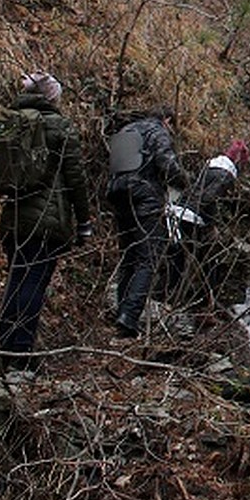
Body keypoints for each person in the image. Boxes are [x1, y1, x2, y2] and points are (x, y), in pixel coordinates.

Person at [0, 72, 93, 372]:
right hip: (46, 221)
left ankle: (6, 350)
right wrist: (84, 221)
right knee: (32, 284)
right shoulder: (59, 126)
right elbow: (76, 178)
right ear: (51, 97)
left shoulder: (10, 119)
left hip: (13, 218)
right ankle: (20, 355)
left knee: (16, 281)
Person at [106, 106, 188, 337]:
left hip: (119, 196)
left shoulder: (126, 130)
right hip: (145, 198)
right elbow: (169, 166)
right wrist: (184, 182)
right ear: (167, 120)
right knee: (148, 258)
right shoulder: (157, 132)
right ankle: (129, 317)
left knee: (128, 257)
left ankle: (122, 312)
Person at [163, 138, 250, 308]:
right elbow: (208, 198)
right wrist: (211, 224)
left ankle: (170, 298)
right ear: (239, 162)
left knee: (177, 258)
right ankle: (207, 303)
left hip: (176, 212)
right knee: (209, 262)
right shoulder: (226, 175)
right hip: (191, 218)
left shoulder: (209, 167)